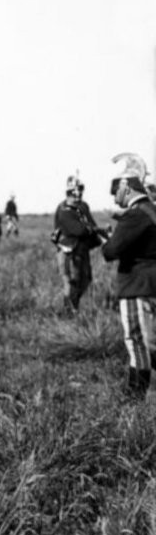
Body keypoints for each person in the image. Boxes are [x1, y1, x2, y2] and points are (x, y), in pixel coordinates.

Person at [101, 152, 156, 400]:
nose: (115, 196)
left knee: (137, 342)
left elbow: (111, 251)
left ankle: (135, 398)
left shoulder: (135, 215)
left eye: (116, 189)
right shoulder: (151, 209)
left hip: (137, 286)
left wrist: (109, 239)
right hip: (151, 284)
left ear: (126, 185)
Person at [53, 174, 104, 312]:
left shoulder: (83, 206)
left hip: (82, 249)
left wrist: (95, 230)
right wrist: (92, 229)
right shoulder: (63, 210)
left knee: (86, 280)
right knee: (71, 282)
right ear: (68, 193)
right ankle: (68, 312)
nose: (78, 195)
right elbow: (78, 230)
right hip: (68, 251)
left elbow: (91, 224)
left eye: (80, 190)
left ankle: (72, 306)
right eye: (74, 192)